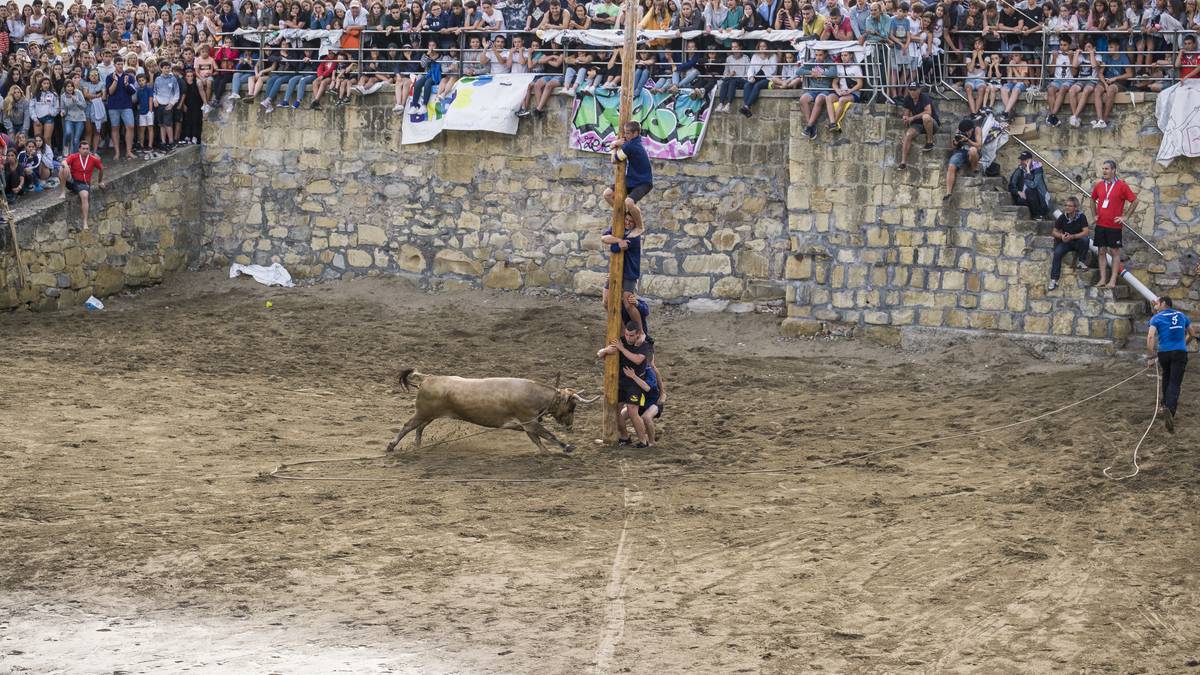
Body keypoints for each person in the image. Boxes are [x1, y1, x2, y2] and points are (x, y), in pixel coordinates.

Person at [595, 321, 655, 448]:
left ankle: (643, 441)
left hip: (635, 383)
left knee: (632, 411)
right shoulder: (620, 341)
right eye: (627, 334)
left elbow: (638, 360)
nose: (628, 338)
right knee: (616, 411)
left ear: (638, 334)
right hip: (620, 383)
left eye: (631, 335)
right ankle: (625, 437)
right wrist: (605, 350)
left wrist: (621, 348)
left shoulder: (643, 345)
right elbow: (599, 354)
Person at [1146, 296, 1198, 433]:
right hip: (1180, 353)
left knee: (1166, 377)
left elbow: (1150, 337)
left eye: (1157, 303)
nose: (1155, 305)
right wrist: (1183, 345)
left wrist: (1151, 357)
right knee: (1175, 382)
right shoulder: (1182, 315)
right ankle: (1170, 409)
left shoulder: (1156, 319)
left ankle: (1164, 406)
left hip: (1164, 353)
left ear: (1164, 303)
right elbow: (1192, 333)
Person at [1089, 159, 1137, 289]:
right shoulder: (1099, 185)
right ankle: (1103, 279)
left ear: (1113, 170)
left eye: (1106, 169)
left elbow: (1134, 201)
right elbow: (1092, 199)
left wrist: (1126, 216)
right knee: (1101, 252)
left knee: (1115, 252)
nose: (1104, 171)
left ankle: (1113, 281)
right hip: (1101, 225)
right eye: (1103, 168)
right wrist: (1095, 215)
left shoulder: (1122, 185)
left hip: (1114, 226)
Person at [603, 121, 652, 232]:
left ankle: (640, 227)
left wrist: (613, 145)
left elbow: (614, 160)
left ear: (636, 133)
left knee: (629, 202)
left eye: (628, 133)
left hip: (643, 182)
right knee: (607, 194)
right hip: (631, 180)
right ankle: (624, 215)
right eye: (625, 133)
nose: (625, 136)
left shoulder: (631, 145)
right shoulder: (630, 143)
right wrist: (620, 144)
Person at [58, 140, 104, 231]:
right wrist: (66, 165)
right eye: (83, 149)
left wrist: (100, 181)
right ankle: (63, 192)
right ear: (79, 149)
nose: (85, 150)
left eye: (87, 149)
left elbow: (101, 169)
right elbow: (63, 162)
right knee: (61, 169)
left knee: (85, 196)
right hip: (72, 181)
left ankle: (85, 222)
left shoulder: (93, 159)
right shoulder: (74, 156)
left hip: (83, 183)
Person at [1047, 196, 1090, 291]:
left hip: (1077, 241)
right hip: (1066, 242)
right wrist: (1062, 236)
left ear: (1075, 208)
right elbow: (1054, 232)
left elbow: (1086, 231)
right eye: (1066, 205)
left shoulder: (1081, 216)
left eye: (1070, 206)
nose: (1067, 207)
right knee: (1057, 253)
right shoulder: (1062, 217)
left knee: (1085, 239)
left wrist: (1073, 236)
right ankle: (1054, 280)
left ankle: (1081, 261)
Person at [896, 82, 938, 170]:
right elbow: (907, 113)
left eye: (914, 90)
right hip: (918, 124)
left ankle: (930, 141)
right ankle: (903, 162)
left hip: (931, 124)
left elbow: (928, 112)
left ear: (919, 90)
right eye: (910, 90)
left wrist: (912, 118)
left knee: (926, 117)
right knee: (908, 135)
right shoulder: (908, 98)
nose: (912, 92)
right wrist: (906, 118)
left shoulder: (924, 97)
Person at [105, 60, 137, 161]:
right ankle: (117, 152)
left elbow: (133, 91)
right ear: (114, 65)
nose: (120, 66)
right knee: (115, 128)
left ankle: (128, 151)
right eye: (118, 64)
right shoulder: (109, 77)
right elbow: (110, 92)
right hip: (113, 106)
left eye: (121, 64)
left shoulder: (129, 76)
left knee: (130, 126)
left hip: (126, 105)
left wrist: (126, 84)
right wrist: (115, 81)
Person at [944, 118, 979, 198]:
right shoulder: (959, 131)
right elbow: (953, 147)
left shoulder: (977, 130)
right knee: (951, 165)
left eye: (967, 131)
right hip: (960, 151)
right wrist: (955, 142)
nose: (966, 133)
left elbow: (979, 146)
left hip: (973, 152)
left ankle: (974, 169)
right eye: (964, 131)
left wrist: (968, 140)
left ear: (971, 129)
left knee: (973, 150)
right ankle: (948, 192)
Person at [1007, 150, 1047, 218]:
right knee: (1021, 200)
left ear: (1030, 160)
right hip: (1024, 197)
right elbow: (1011, 184)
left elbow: (1033, 185)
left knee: (1029, 191)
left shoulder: (1038, 170)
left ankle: (1038, 215)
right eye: (1021, 160)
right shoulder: (1019, 170)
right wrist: (1018, 192)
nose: (1022, 162)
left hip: (1038, 198)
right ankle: (1037, 215)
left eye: (1024, 160)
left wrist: (1028, 171)